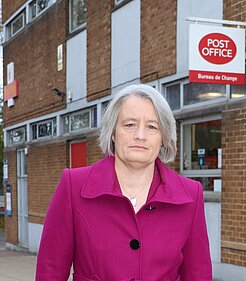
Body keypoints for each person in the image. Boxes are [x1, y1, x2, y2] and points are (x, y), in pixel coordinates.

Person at [36, 85, 212, 281]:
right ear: (113, 132)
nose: (140, 135)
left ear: (163, 138)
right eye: (129, 125)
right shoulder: (73, 186)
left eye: (152, 127)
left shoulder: (190, 195)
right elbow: (50, 271)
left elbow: (198, 274)